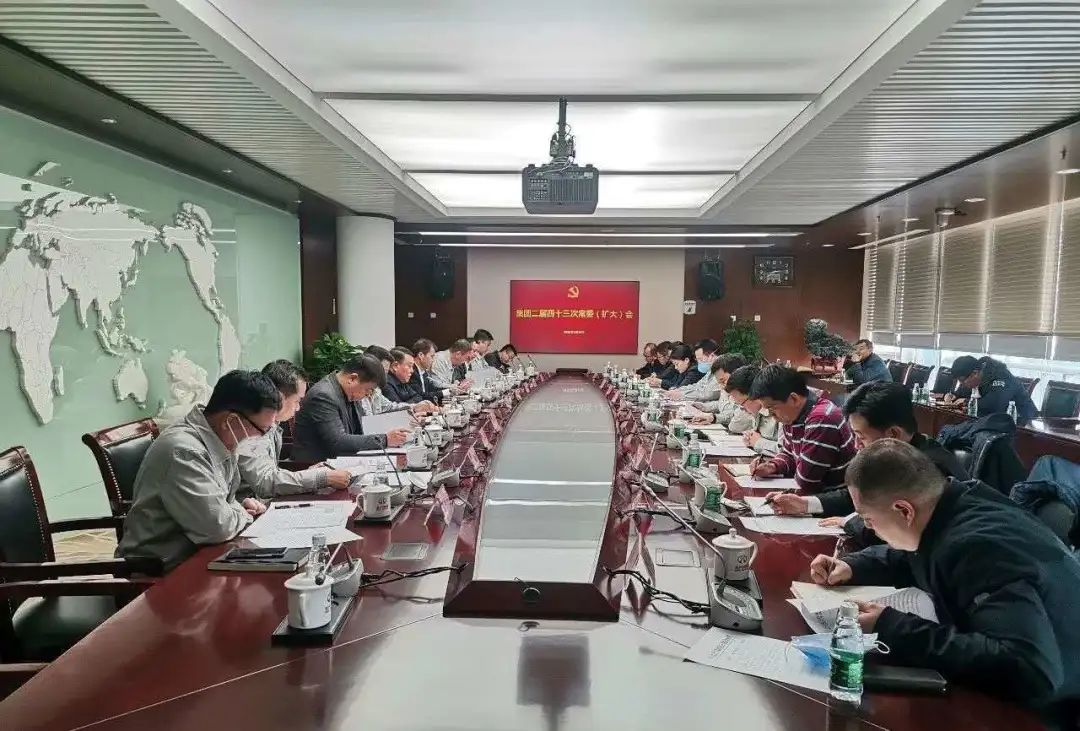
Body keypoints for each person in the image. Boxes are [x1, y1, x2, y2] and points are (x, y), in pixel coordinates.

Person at [808, 440, 1080, 724]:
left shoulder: (977, 547)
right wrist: (853, 566)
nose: (867, 527)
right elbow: (917, 554)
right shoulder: (955, 504)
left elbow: (1028, 668)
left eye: (868, 519)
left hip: (1051, 710)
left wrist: (890, 625)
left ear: (904, 510)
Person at [117, 370, 280, 571]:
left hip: (201, 553)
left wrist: (234, 508)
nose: (263, 438)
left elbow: (224, 505)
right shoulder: (184, 451)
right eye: (262, 430)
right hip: (162, 569)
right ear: (231, 421)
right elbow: (217, 527)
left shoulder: (221, 439)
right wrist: (243, 514)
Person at [769, 381, 968, 519]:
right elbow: (862, 495)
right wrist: (804, 504)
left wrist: (850, 523)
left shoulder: (929, 470)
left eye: (861, 436)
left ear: (893, 434)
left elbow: (904, 530)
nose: (856, 445)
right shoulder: (899, 454)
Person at [237, 360, 352, 499]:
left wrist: (308, 474)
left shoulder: (273, 425)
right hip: (247, 507)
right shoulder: (250, 427)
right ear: (278, 397)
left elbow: (271, 473)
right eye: (297, 401)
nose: (298, 408)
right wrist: (321, 478)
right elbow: (266, 483)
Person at [748, 365, 855, 492]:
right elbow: (789, 454)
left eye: (772, 408)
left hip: (835, 497)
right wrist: (772, 466)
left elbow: (806, 482)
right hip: (815, 496)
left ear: (794, 399)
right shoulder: (793, 416)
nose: (772, 415)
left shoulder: (822, 419)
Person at [291, 354, 411, 462]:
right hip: (315, 466)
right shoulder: (323, 396)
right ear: (352, 379)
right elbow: (338, 442)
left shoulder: (350, 392)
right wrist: (385, 439)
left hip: (344, 461)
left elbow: (363, 428)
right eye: (368, 390)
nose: (368, 395)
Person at [951, 355, 1039, 426]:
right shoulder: (977, 376)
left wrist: (966, 402)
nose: (961, 384)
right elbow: (962, 393)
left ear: (975, 373)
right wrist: (953, 396)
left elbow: (994, 405)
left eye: (962, 380)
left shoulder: (1000, 376)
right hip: (995, 421)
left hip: (1024, 424)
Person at [365, 345, 437, 415]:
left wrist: (414, 407)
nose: (384, 377)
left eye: (386, 373)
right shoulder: (385, 384)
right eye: (383, 372)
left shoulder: (376, 390)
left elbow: (390, 407)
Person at [688, 353, 749, 424]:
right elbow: (722, 403)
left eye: (723, 381)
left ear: (737, 374)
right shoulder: (726, 388)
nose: (722, 386)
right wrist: (704, 407)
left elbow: (736, 416)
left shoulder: (746, 393)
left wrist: (714, 418)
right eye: (719, 383)